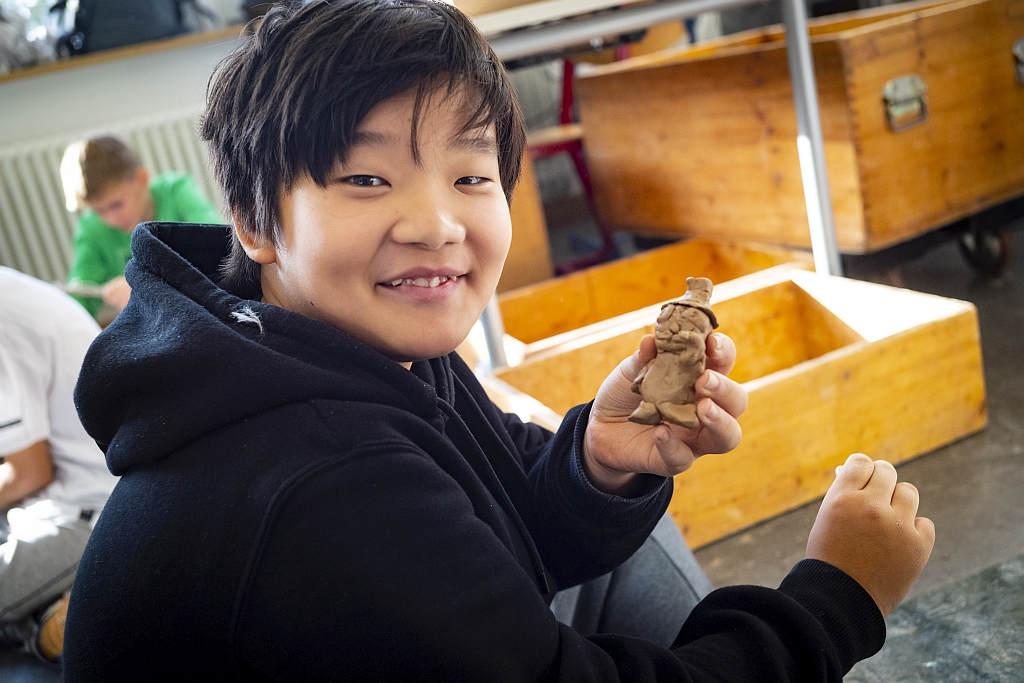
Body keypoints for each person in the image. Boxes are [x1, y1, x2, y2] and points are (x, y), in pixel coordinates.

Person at [63, 1, 935, 680]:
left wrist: (598, 460)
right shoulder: (318, 483)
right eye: (367, 178)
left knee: (637, 540)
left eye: (471, 175)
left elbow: (509, 515)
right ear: (256, 220)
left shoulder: (355, 341)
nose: (438, 225)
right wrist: (835, 599)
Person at [0, 266, 119, 664]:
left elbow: (29, 473)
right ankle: (48, 611)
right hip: (55, 503)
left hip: (87, 516)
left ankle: (63, 617)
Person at [60, 135, 225, 320]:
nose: (111, 219)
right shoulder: (91, 227)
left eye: (117, 205)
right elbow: (81, 293)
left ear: (142, 179)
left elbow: (218, 245)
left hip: (209, 311)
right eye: (98, 211)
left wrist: (143, 281)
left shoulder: (176, 191)